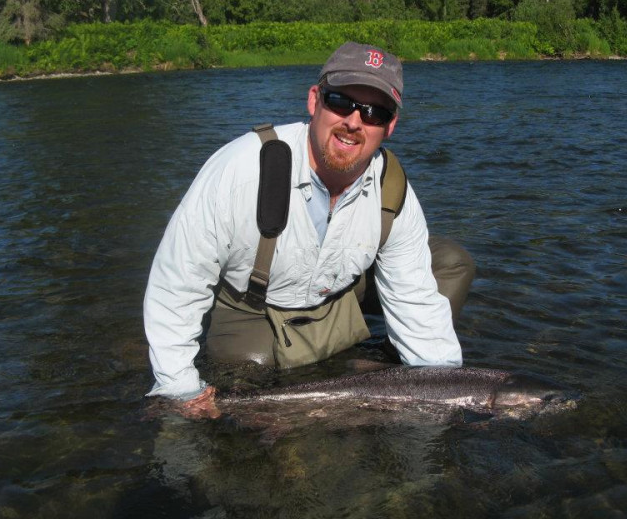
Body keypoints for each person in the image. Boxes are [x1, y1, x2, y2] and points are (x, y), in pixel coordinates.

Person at [143, 41, 475, 413]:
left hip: (336, 295)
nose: (353, 122)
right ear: (314, 100)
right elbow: (176, 286)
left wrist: (447, 394)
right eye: (340, 102)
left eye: (374, 112)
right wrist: (179, 389)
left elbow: (416, 299)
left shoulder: (392, 186)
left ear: (390, 125)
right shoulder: (241, 170)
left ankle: (385, 370)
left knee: (449, 262)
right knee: (248, 394)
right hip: (256, 309)